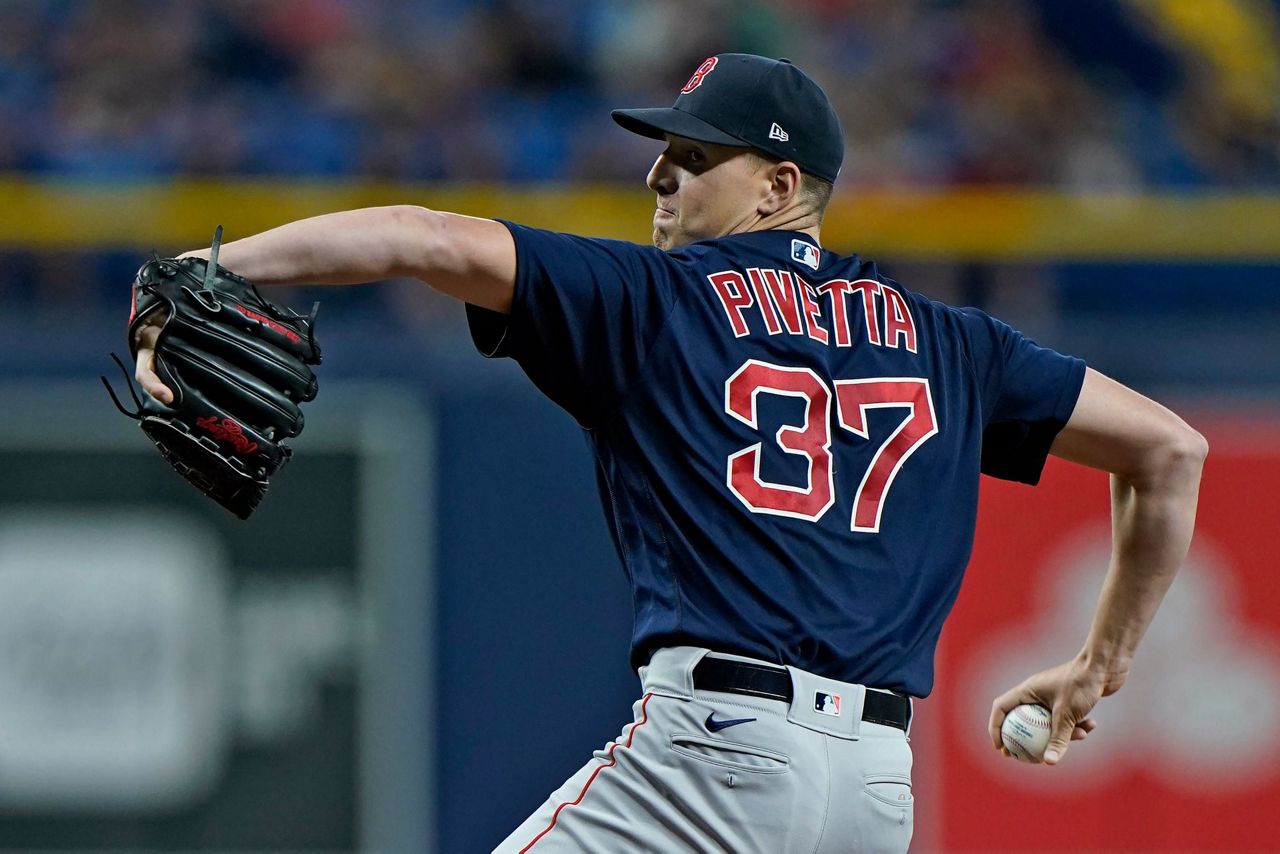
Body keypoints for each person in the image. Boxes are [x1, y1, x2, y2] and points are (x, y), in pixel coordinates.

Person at [133, 54, 1206, 853]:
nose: (658, 177)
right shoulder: (951, 341)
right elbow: (1167, 449)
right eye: (660, 155)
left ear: (778, 188)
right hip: (877, 791)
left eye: (692, 158)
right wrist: (1099, 663)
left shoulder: (653, 299)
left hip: (713, 754)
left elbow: (424, 236)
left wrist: (211, 264)